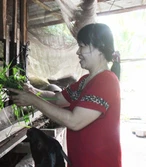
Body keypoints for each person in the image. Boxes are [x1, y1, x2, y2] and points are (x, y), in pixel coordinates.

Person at [8, 23, 121, 167]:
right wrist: (35, 91)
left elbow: (74, 121)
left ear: (100, 48)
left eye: (82, 46)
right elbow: (58, 98)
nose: (78, 52)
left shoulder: (107, 81)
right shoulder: (85, 81)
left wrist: (33, 100)